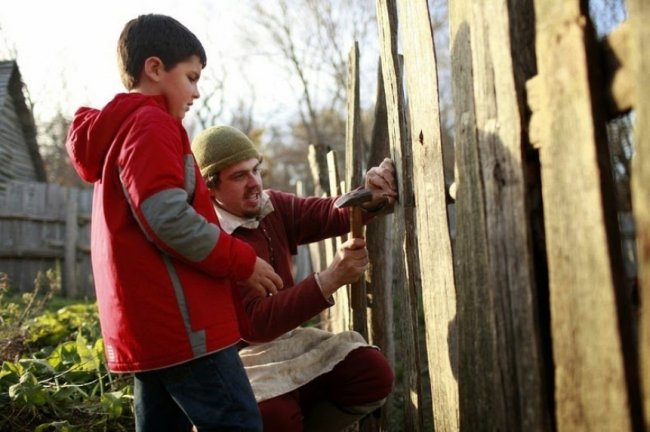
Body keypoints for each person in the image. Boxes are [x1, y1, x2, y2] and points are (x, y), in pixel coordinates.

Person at [64, 14, 283, 432]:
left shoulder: (121, 132)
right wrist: (243, 261)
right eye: (192, 76)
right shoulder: (152, 123)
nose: (197, 92)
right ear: (154, 68)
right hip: (184, 328)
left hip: (152, 327)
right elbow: (167, 217)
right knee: (237, 423)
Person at [191, 125, 397, 431]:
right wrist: (330, 279)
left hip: (288, 343)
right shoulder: (211, 240)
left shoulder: (272, 207)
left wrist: (370, 194)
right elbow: (256, 324)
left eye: (256, 170)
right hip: (240, 359)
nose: (254, 184)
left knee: (371, 373)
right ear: (210, 188)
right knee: (273, 416)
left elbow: (330, 213)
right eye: (239, 176)